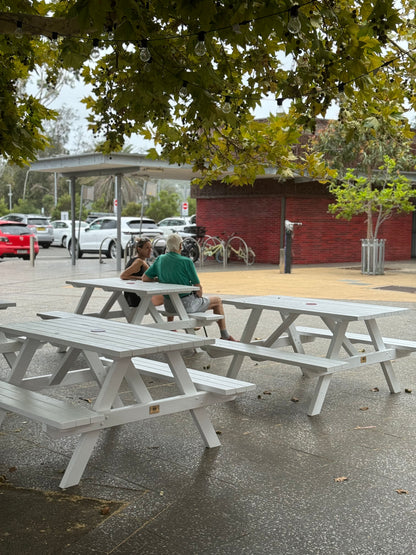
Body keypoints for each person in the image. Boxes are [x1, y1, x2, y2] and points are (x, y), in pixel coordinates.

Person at [143, 233, 237, 341]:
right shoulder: (187, 261)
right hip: (186, 305)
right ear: (180, 246)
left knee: (177, 295)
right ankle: (225, 335)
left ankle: (179, 326)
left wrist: (158, 279)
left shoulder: (160, 259)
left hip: (169, 306)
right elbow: (198, 288)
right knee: (217, 301)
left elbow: (145, 278)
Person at [120, 237, 165, 308]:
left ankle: (171, 317)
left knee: (170, 298)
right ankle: (173, 318)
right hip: (137, 298)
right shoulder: (139, 262)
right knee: (170, 297)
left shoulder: (141, 261)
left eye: (151, 248)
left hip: (138, 295)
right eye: (147, 248)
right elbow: (123, 276)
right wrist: (141, 278)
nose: (150, 250)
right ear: (139, 249)